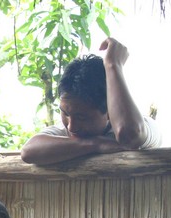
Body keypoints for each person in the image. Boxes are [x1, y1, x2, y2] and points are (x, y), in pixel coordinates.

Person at [21, 37, 161, 165]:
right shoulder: (67, 131)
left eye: (82, 117)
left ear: (108, 112)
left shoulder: (144, 126)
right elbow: (28, 151)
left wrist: (113, 65)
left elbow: (130, 136)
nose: (71, 127)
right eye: (65, 113)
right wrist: (96, 144)